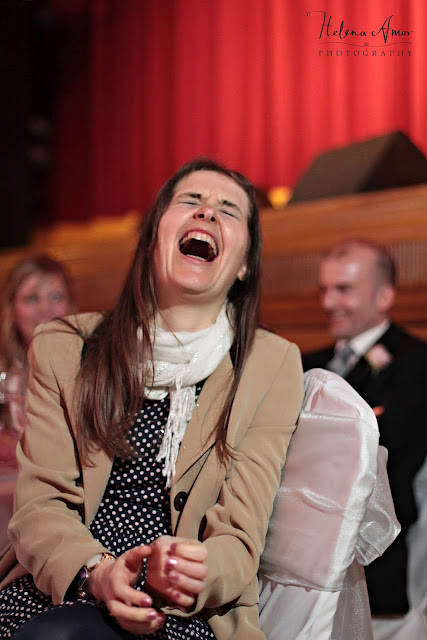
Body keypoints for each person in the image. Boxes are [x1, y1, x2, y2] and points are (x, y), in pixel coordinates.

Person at [0, 158, 304, 639]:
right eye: (190, 201)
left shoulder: (271, 364)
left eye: (228, 210)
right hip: (66, 584)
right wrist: (99, 573)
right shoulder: (62, 347)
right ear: (150, 242)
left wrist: (188, 571)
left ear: (245, 263)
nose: (206, 213)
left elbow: (238, 539)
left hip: (182, 612)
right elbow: (39, 506)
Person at [302, 239, 427, 616]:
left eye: (343, 290)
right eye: (324, 289)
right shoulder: (308, 362)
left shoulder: (417, 362)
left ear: (384, 295)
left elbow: (381, 445)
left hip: (381, 556)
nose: (327, 303)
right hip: (309, 549)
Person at [0, 255, 74, 451]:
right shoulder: (4, 373)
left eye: (56, 297)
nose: (45, 309)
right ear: (12, 309)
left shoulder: (91, 371)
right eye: (32, 298)